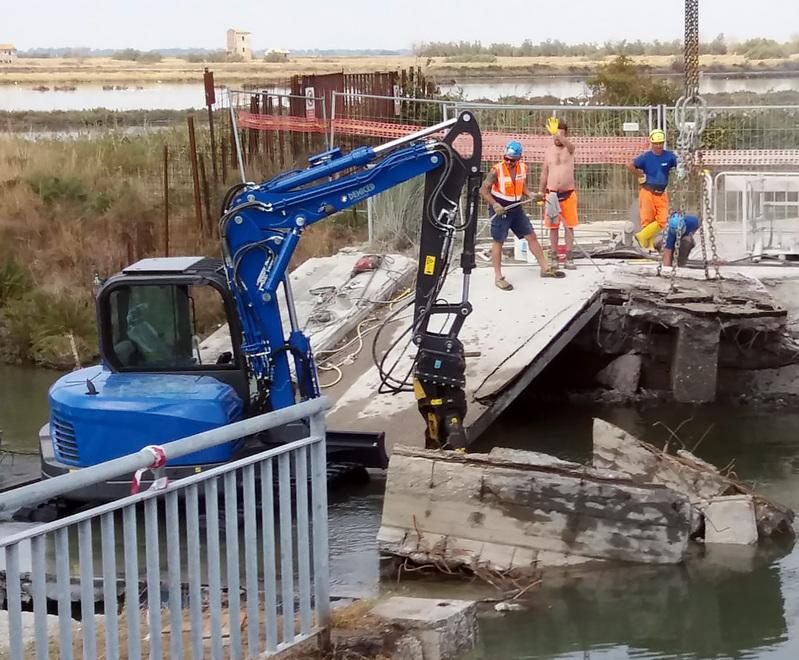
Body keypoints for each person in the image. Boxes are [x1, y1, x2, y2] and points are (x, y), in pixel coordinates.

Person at [480, 140, 564, 290]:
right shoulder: (496, 170)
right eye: (507, 159)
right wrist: (495, 205)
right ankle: (498, 277)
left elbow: (522, 186)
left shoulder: (523, 168)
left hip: (516, 207)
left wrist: (531, 195)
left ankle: (545, 268)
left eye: (513, 160)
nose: (509, 162)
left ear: (519, 159)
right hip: (500, 208)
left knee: (530, 235)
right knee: (498, 241)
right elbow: (483, 190)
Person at [628, 128, 682, 250]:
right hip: (647, 192)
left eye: (661, 143)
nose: (658, 146)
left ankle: (641, 236)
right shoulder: (645, 157)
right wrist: (640, 175)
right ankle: (648, 246)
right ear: (651, 143)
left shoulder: (669, 156)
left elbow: (679, 163)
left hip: (661, 193)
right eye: (656, 143)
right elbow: (630, 165)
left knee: (663, 220)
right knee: (647, 220)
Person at [539, 117, 578, 270]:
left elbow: (571, 146)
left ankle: (569, 256)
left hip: (568, 194)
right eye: (554, 135)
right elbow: (544, 173)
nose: (557, 138)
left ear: (566, 135)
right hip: (552, 195)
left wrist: (559, 135)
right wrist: (541, 192)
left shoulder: (569, 149)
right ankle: (554, 255)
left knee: (569, 227)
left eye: (561, 134)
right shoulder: (548, 152)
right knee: (553, 227)